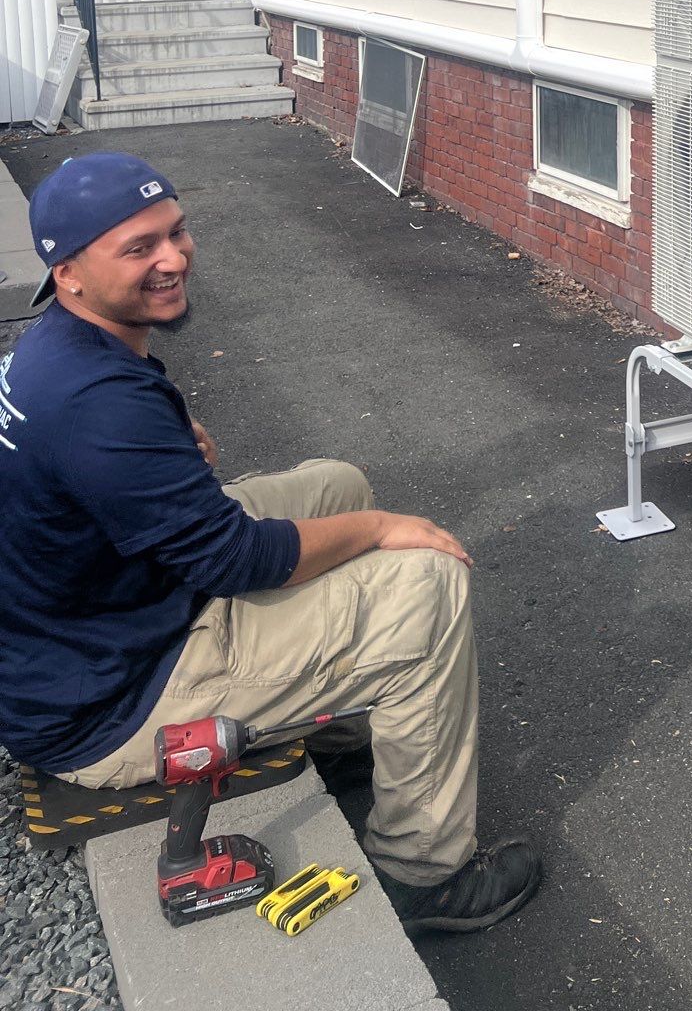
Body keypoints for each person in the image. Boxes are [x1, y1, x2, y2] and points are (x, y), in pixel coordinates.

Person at [0, 150, 540, 935]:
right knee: (425, 582)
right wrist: (387, 530)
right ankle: (426, 874)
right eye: (139, 247)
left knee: (337, 482)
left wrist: (163, 443)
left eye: (176, 232)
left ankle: (351, 713)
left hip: (103, 620)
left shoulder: (57, 350)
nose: (174, 258)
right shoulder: (95, 403)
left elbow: (80, 469)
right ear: (69, 270)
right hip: (114, 703)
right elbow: (235, 560)